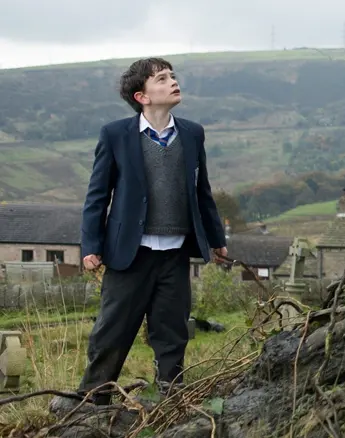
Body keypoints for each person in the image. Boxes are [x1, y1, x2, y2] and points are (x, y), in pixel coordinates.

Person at [68, 57, 228, 405]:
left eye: (172, 76)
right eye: (162, 78)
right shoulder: (115, 135)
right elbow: (97, 195)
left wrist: (217, 240)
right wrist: (90, 246)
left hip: (175, 252)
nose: (173, 81)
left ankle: (169, 400)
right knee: (112, 329)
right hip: (130, 253)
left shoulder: (192, 132)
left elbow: (202, 191)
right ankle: (93, 399)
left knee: (171, 331)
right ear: (142, 96)